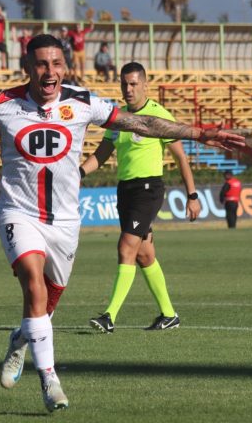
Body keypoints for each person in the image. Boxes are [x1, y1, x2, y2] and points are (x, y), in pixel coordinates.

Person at [0, 34, 244, 413]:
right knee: (33, 282)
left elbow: (145, 125)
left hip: (65, 223)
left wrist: (200, 133)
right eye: (41, 64)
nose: (49, 71)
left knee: (43, 307)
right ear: (28, 68)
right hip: (18, 213)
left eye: (56, 63)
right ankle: (50, 379)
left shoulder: (84, 103)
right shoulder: (3, 103)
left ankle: (20, 339)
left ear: (65, 67)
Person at [81, 62, 201, 334]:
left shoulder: (158, 116)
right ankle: (169, 315)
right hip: (125, 190)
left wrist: (192, 195)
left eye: (134, 84)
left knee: (126, 248)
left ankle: (109, 316)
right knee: (145, 255)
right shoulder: (118, 118)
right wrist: (79, 173)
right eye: (125, 84)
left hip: (148, 190)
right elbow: (102, 153)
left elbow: (180, 157)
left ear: (146, 84)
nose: (129, 89)